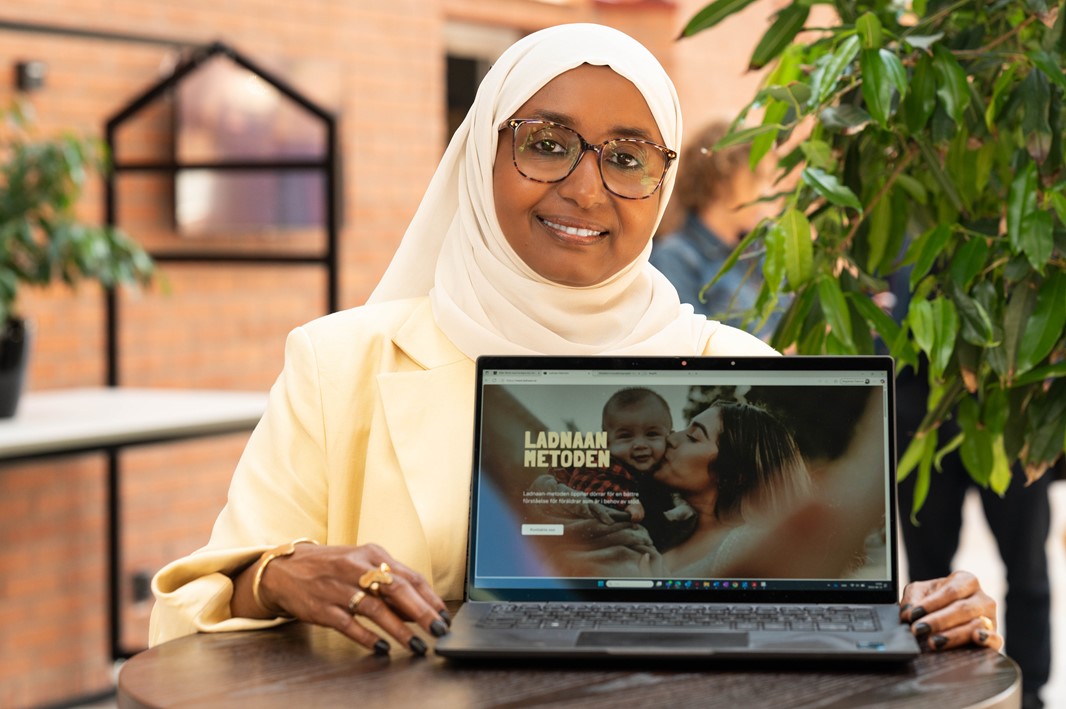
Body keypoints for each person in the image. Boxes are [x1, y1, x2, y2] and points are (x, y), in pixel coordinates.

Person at [150, 23, 1003, 659]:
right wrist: (278, 574)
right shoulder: (342, 365)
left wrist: (928, 613)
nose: (586, 188)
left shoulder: (732, 372)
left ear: (665, 184)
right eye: (547, 144)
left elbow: (823, 606)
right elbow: (184, 625)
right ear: (482, 159)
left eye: (628, 158)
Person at [650, 120, 780, 337]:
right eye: (756, 178)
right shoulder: (674, 258)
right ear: (720, 179)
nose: (766, 192)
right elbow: (692, 348)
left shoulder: (760, 250)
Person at [542, 387, 696, 547]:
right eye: (625, 436)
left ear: (669, 436)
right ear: (607, 441)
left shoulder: (663, 466)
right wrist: (625, 500)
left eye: (652, 434)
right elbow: (584, 482)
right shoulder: (602, 461)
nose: (640, 445)